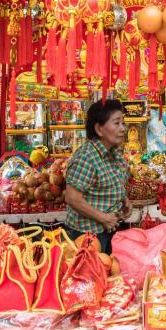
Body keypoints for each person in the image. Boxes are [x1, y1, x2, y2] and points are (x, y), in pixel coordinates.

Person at [64, 99, 130, 254]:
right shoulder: (86, 157)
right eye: (116, 123)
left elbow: (113, 183)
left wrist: (124, 201)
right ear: (99, 129)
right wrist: (104, 218)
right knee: (92, 274)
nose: (123, 128)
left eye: (123, 123)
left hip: (109, 230)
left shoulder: (114, 153)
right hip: (88, 235)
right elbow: (72, 198)